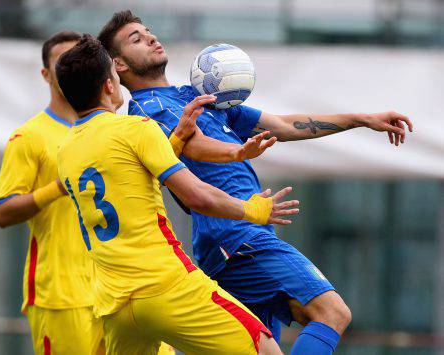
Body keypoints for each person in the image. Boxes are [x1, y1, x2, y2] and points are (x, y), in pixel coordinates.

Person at [97, 10, 414, 354]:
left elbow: (281, 125)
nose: (151, 38)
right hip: (234, 237)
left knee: (264, 349)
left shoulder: (197, 95)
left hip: (244, 236)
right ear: (120, 65)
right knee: (332, 311)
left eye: (149, 32)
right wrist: (236, 152)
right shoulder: (147, 110)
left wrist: (362, 118)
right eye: (136, 38)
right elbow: (192, 145)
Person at [56, 34, 302, 355]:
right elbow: (196, 196)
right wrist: (252, 211)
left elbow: (129, 183)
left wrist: (175, 142)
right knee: (266, 349)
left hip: (114, 304)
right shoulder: (137, 128)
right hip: (166, 287)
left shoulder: (64, 151)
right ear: (108, 86)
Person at [0, 31, 104, 354]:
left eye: (80, 59)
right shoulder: (29, 137)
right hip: (61, 295)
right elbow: (2, 212)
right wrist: (56, 188)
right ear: (45, 74)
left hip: (117, 290)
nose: (73, 66)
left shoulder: (110, 130)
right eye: (63, 61)